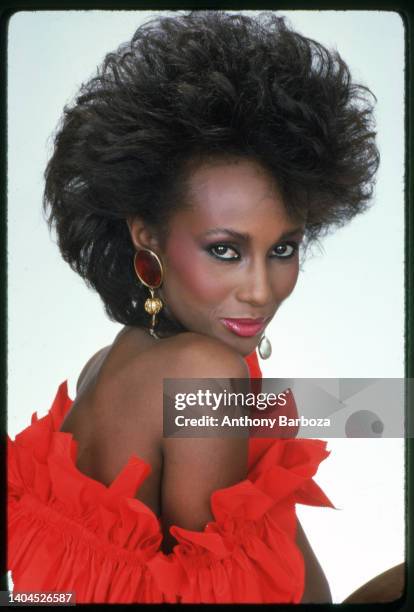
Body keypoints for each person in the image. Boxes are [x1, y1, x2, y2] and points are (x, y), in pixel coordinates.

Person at [7, 10, 379, 604]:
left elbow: (258, 418)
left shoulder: (114, 359)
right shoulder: (209, 372)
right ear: (146, 234)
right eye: (225, 250)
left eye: (282, 247)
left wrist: (384, 406)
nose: (261, 289)